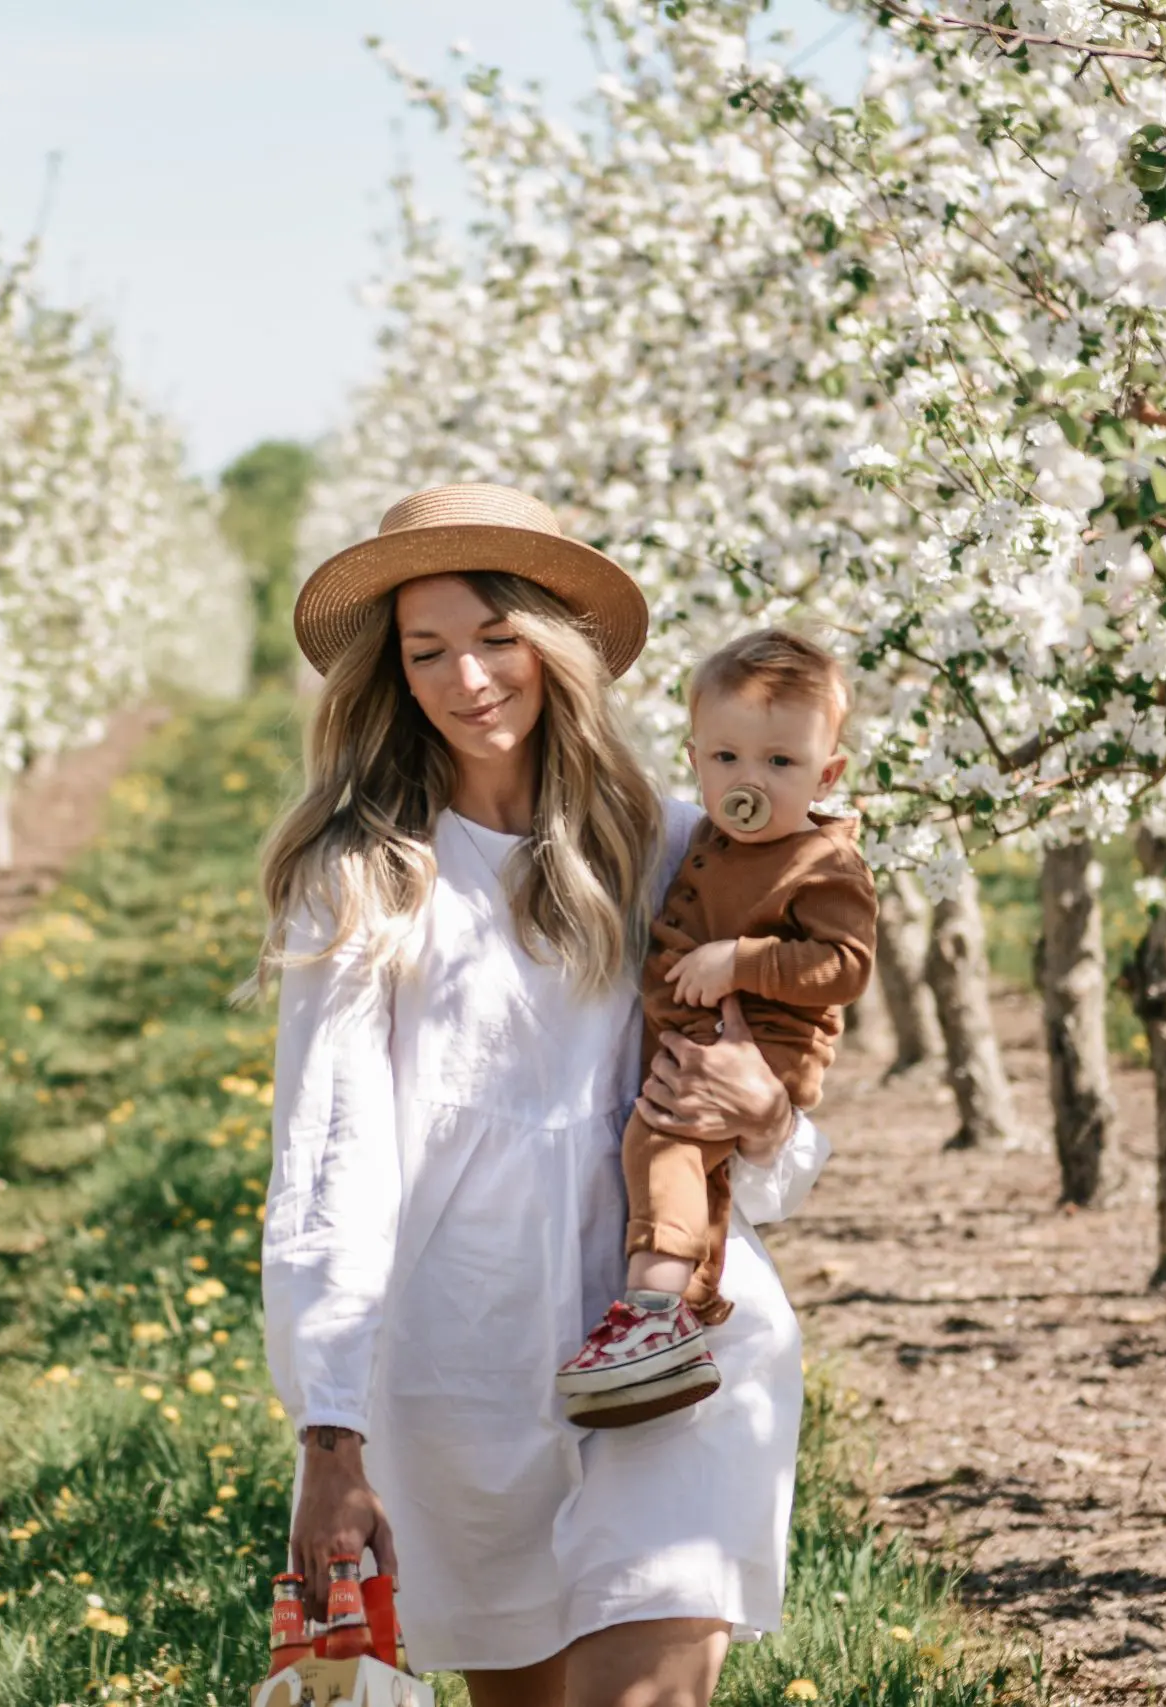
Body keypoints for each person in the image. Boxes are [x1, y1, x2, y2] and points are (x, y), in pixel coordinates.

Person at [259, 483, 832, 1707]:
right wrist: (330, 1431)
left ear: (555, 645)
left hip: (668, 1345)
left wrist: (768, 1114)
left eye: (496, 638)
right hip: (461, 1361)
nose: (467, 678)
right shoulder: (367, 879)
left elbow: (766, 1101)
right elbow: (331, 1159)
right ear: (393, 676)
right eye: (428, 653)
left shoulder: (678, 848)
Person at [556, 630, 875, 1428]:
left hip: (759, 1042)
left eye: (780, 763)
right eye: (728, 758)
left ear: (825, 774)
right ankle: (687, 1307)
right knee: (690, 1162)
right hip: (704, 1037)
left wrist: (741, 961)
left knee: (662, 1141)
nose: (749, 781)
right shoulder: (708, 834)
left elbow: (845, 966)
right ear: (695, 760)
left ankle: (654, 1311)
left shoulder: (820, 861)